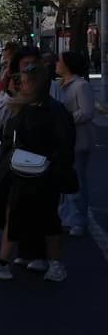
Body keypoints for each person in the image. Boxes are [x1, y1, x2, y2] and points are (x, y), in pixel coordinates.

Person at [0, 58, 74, 282]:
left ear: (36, 84)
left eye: (25, 81)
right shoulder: (24, 106)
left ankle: (48, 263)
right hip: (23, 171)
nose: (21, 85)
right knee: (21, 216)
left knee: (41, 218)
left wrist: (58, 169)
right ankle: (30, 259)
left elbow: (64, 144)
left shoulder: (50, 110)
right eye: (20, 81)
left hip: (41, 172)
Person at [52, 49, 93, 237]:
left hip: (79, 141)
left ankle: (79, 221)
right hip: (63, 141)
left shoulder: (81, 85)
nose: (56, 64)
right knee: (65, 182)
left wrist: (64, 119)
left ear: (68, 65)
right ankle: (66, 217)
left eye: (59, 61)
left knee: (78, 183)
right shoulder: (60, 84)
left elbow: (86, 112)